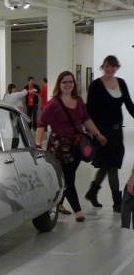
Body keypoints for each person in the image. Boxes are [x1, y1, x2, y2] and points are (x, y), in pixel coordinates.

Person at [35, 71, 106, 222]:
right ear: (59, 85)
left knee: (67, 176)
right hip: (59, 146)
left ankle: (58, 203)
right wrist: (38, 144)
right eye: (64, 82)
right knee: (68, 178)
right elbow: (41, 124)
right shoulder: (53, 104)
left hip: (76, 145)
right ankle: (78, 210)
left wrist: (98, 134)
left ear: (74, 84)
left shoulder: (78, 100)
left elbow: (86, 119)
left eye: (70, 82)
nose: (68, 85)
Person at [84, 55, 134, 212]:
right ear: (103, 67)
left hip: (117, 130)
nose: (110, 69)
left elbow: (129, 104)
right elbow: (89, 111)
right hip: (102, 132)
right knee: (111, 166)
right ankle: (117, 203)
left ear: (116, 67)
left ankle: (93, 192)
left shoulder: (121, 83)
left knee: (108, 165)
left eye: (113, 66)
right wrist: (94, 132)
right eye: (107, 66)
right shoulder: (96, 85)